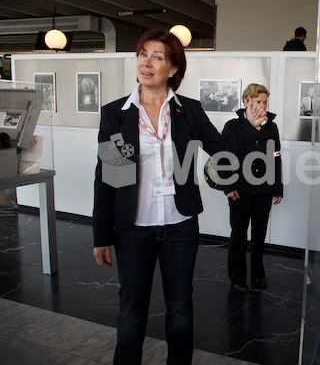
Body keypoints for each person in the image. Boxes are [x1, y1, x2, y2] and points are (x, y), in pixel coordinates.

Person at [92, 28, 266, 365]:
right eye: (143, 53)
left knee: (180, 309)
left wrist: (250, 125)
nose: (147, 62)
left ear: (172, 69)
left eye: (158, 57)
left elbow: (223, 152)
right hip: (131, 229)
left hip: (180, 226)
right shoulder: (117, 113)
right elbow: (108, 178)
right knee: (130, 313)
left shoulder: (189, 111)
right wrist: (101, 235)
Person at [221, 83, 283, 292]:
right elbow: (225, 157)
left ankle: (258, 275)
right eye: (258, 101)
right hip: (240, 190)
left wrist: (277, 187)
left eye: (265, 102)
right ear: (246, 101)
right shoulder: (233, 126)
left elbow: (276, 158)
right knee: (238, 234)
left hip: (264, 190)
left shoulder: (271, 127)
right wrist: (228, 186)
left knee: (259, 235)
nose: (262, 105)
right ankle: (237, 277)